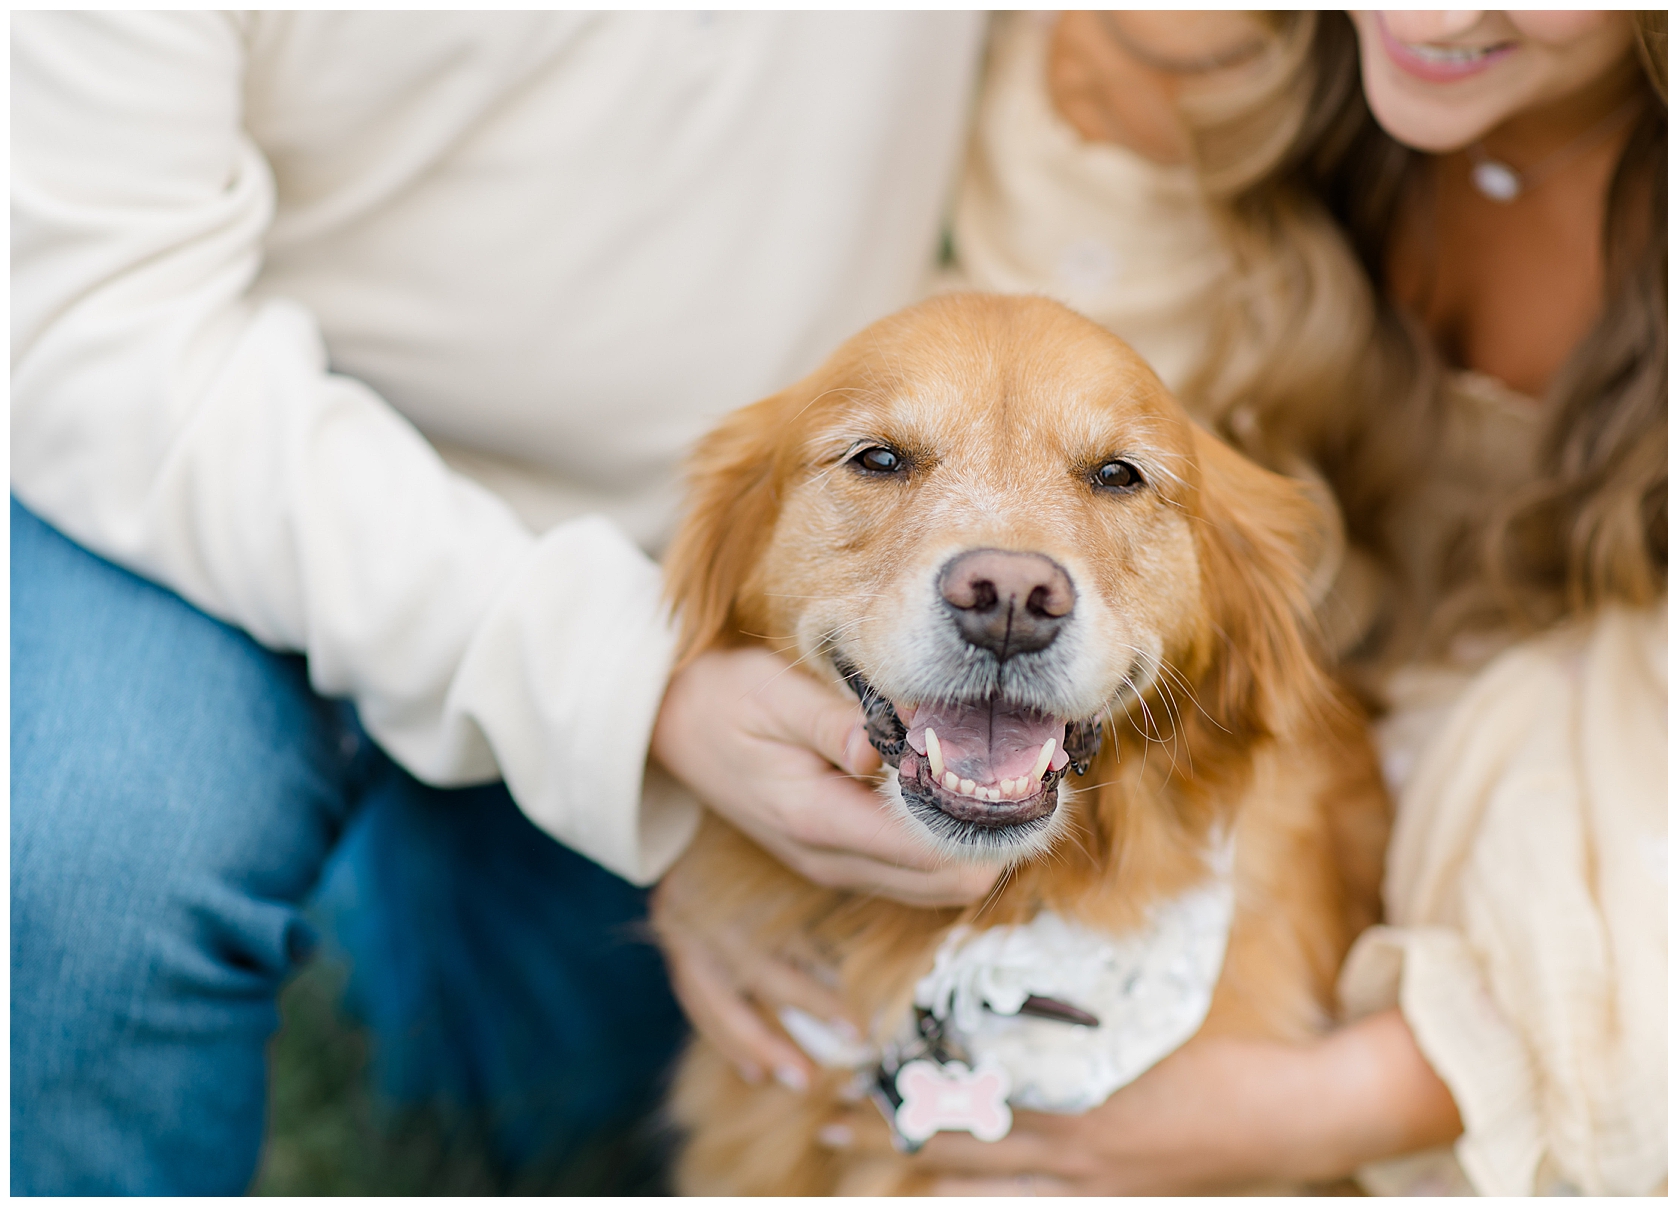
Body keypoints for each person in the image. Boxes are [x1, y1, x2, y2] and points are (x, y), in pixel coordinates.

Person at [668, 10, 1668, 1194]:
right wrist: (689, 758)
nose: (1432, 17)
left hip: (1615, 838)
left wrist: (1319, 1107)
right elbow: (1023, 387)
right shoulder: (1162, 47)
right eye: (882, 461)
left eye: (1114, 479)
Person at [10, 11, 999, 1194]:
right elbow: (92, 329)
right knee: (80, 865)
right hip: (214, 476)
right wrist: (628, 696)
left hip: (720, 549)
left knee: (569, 1120)